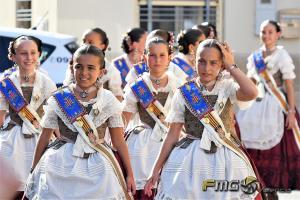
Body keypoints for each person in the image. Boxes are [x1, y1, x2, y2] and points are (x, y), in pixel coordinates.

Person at [144, 39, 262, 199]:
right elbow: (172, 135)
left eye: (214, 63)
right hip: (190, 160)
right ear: (194, 61)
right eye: (202, 62)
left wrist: (232, 66)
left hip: (224, 158)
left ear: (222, 65)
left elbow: (252, 92)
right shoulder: (184, 92)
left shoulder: (227, 88)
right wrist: (155, 170)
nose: (207, 68)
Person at [24, 44, 136, 199]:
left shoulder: (108, 99)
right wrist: (33, 170)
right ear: (72, 69)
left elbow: (118, 140)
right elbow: (44, 137)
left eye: (91, 68)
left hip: (98, 165)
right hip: (59, 164)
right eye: (79, 67)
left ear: (101, 72)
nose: (84, 72)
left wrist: (129, 174)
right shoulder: (60, 98)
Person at [236, 20, 300, 199]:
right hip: (256, 105)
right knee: (249, 144)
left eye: (270, 32)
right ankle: (260, 187)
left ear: (278, 34)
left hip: (276, 107)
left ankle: (271, 191)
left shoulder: (282, 55)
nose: (266, 35)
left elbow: (289, 85)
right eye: (264, 32)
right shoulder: (255, 56)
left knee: (276, 152)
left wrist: (292, 112)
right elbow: (251, 83)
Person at [122, 37, 182, 200]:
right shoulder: (137, 87)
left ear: (169, 57)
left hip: (171, 142)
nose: (157, 60)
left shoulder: (179, 86)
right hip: (141, 147)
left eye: (162, 55)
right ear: (145, 57)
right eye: (152, 55)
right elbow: (124, 120)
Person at [0, 35, 57, 198]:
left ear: (39, 54)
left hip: (40, 138)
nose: (29, 57)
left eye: (33, 52)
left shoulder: (47, 83)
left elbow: (54, 118)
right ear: (13, 56)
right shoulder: (5, 83)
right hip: (12, 141)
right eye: (23, 53)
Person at [64, 27, 123, 101]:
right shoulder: (74, 65)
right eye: (83, 41)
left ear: (103, 46)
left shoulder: (111, 71)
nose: (85, 44)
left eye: (90, 42)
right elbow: (66, 88)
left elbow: (117, 97)